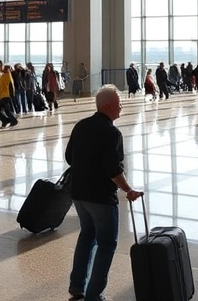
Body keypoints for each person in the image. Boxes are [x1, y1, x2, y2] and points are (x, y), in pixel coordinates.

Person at [66, 85, 143, 301]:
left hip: (78, 194)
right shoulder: (112, 132)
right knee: (107, 243)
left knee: (87, 235)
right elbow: (113, 169)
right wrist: (129, 190)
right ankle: (94, 294)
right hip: (100, 198)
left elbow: (69, 157)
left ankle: (77, 286)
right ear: (107, 105)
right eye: (119, 102)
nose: (121, 106)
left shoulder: (81, 126)